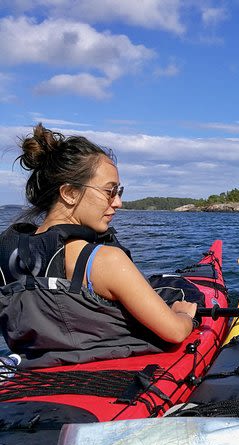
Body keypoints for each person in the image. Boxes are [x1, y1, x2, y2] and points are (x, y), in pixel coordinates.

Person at [0, 124, 198, 368]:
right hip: (116, 387)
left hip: (36, 380)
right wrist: (183, 315)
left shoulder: (8, 254)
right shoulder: (106, 261)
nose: (119, 203)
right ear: (70, 193)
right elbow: (175, 332)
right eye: (110, 191)